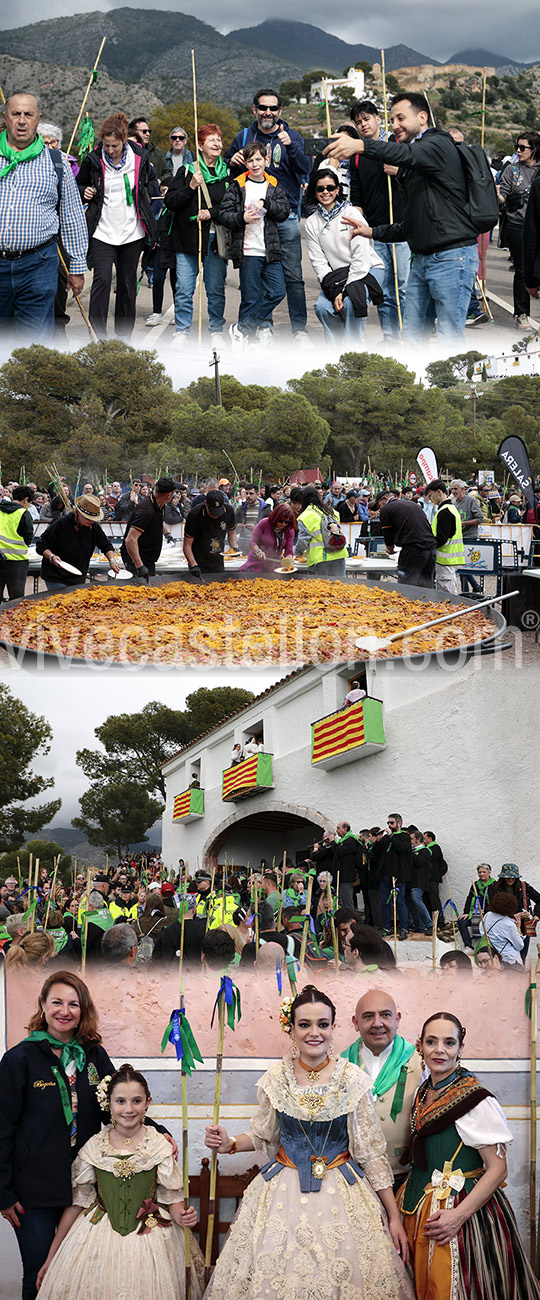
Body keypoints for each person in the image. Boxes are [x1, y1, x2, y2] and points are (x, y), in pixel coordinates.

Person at [204, 985, 413, 1300]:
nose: (314, 1032)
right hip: (282, 1193)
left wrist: (393, 1216)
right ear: (291, 1029)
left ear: (333, 1027)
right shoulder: (277, 1078)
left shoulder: (352, 1079)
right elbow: (264, 1135)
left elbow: (370, 1154)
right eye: (305, 1025)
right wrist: (230, 1143)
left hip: (343, 1193)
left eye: (322, 1024)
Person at [399, 1012, 540, 1300]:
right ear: (419, 1046)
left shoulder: (476, 1100)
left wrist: (457, 1217)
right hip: (416, 1203)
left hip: (461, 1214)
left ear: (461, 1048)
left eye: (449, 1042)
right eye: (432, 1042)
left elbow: (498, 1169)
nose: (440, 1050)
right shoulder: (423, 1090)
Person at [35, 1063, 203, 1300]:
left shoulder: (158, 1146)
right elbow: (78, 1202)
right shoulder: (94, 1147)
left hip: (151, 1232)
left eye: (136, 1100)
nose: (128, 1109)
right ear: (108, 1104)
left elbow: (172, 1198)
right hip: (97, 1234)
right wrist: (52, 1257)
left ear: (147, 1102)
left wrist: (181, 1216)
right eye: (120, 1101)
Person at [327, 93, 486, 341]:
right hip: (422, 259)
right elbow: (412, 224)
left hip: (452, 257)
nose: (395, 125)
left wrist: (360, 145)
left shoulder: (437, 143)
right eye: (392, 119)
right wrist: (371, 232)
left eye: (401, 117)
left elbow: (407, 155)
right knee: (412, 336)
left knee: (449, 336)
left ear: (422, 117)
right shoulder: (415, 157)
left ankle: (455, 381)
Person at [0, 974, 120, 1299]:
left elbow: (119, 1106)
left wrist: (158, 1132)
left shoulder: (94, 1056)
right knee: (40, 1277)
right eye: (57, 1002)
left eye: (73, 1004)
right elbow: (2, 1127)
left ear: (83, 1010)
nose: (64, 1011)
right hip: (33, 1193)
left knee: (77, 1276)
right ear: (43, 1005)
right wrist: (4, 1192)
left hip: (84, 1187)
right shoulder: (19, 1060)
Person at [226, 88, 312, 342]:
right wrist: (232, 162)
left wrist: (292, 147)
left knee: (293, 277)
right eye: (263, 107)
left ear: (280, 111)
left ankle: (299, 330)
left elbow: (306, 168)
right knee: (259, 279)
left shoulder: (292, 136)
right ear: (255, 109)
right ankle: (264, 327)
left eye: (273, 108)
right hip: (253, 219)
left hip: (286, 216)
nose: (268, 112)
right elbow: (229, 173)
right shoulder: (244, 137)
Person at [0, 91, 87, 340]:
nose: (22, 120)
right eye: (16, 114)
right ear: (5, 118)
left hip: (38, 266)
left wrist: (77, 268)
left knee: (35, 344)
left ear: (38, 119)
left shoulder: (56, 162)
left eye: (29, 114)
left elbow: (72, 217)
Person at [76, 111, 156, 339]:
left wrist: (146, 192)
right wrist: (86, 192)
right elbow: (78, 185)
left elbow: (150, 184)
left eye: (114, 146)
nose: (110, 151)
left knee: (127, 285)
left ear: (124, 141)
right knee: (101, 279)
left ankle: (123, 337)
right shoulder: (93, 159)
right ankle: (98, 335)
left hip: (132, 231)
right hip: (102, 230)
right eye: (106, 145)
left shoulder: (140, 158)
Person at [340, 989, 423, 1185]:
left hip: (407, 1178)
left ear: (397, 1018)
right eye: (368, 1016)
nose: (377, 1023)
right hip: (354, 1180)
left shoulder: (421, 1062)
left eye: (385, 1015)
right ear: (355, 1022)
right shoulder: (341, 1065)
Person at [218, 141, 289, 347]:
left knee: (277, 291)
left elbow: (284, 212)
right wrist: (242, 218)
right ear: (245, 163)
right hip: (248, 250)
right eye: (250, 160)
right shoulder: (238, 185)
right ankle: (245, 340)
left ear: (267, 160)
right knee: (249, 298)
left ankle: (241, 329)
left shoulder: (273, 184)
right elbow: (224, 215)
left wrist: (266, 203)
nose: (255, 164)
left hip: (270, 250)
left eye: (259, 159)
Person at [350, 99, 410, 341]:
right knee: (383, 288)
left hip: (401, 226)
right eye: (358, 122)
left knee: (403, 286)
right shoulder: (358, 152)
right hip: (374, 229)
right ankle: (390, 336)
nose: (363, 125)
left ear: (377, 118)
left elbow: (420, 174)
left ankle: (408, 335)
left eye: (366, 119)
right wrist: (358, 212)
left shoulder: (396, 144)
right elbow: (356, 189)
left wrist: (400, 172)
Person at [304, 164, 384, 345]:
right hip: (337, 277)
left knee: (350, 303)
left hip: (367, 269)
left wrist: (343, 291)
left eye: (330, 188)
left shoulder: (351, 214)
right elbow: (318, 262)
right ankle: (339, 350)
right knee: (322, 307)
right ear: (314, 192)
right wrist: (335, 290)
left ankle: (355, 348)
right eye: (320, 189)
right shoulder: (311, 222)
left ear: (337, 189)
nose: (326, 192)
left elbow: (361, 256)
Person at [163, 124, 229, 344]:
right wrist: (191, 186)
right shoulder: (187, 171)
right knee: (184, 287)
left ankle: (217, 330)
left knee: (216, 288)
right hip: (188, 238)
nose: (217, 144)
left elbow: (231, 207)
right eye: (211, 140)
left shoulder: (227, 173)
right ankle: (182, 331)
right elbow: (171, 202)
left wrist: (210, 212)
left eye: (219, 139)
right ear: (200, 146)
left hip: (214, 240)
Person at [499, 131, 540, 327]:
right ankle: (521, 314)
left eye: (523, 147)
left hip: (537, 227)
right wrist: (496, 195)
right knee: (522, 270)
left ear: (535, 150)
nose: (518, 150)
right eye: (517, 146)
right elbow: (503, 196)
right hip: (517, 228)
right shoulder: (512, 170)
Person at [36, 495, 120, 589]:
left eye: (94, 519)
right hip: (56, 575)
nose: (91, 521)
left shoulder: (94, 527)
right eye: (88, 518)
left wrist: (112, 561)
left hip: (78, 575)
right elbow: (41, 545)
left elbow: (106, 545)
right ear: (78, 513)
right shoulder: (61, 523)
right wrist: (52, 556)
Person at [121, 476, 177, 579]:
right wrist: (139, 566)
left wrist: (166, 533)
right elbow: (130, 540)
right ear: (169, 495)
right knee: (139, 590)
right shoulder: (145, 510)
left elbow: (157, 521)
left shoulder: (159, 503)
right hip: (136, 556)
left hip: (148, 556)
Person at [295, 484, 348, 577]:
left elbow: (303, 540)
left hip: (321, 558)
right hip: (339, 553)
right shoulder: (331, 511)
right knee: (339, 587)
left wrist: (297, 552)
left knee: (321, 588)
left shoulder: (305, 516)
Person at [183, 489, 238, 576]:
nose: (216, 515)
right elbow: (187, 545)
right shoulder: (195, 515)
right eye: (213, 512)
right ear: (206, 504)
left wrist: (234, 548)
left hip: (218, 559)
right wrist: (193, 565)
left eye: (218, 512)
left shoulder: (229, 511)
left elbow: (232, 532)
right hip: (199, 560)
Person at [426, 479, 466, 594]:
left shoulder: (445, 511)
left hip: (444, 561)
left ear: (439, 492)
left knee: (447, 598)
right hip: (449, 560)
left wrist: (425, 542)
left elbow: (441, 539)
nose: (430, 499)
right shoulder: (451, 508)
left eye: (430, 495)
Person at [0, 484, 35, 602]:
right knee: (16, 601)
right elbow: (28, 538)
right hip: (16, 562)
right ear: (26, 500)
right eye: (29, 503)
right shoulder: (23, 514)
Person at [240, 504, 295, 573]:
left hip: (274, 565)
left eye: (287, 522)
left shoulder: (289, 530)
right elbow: (252, 542)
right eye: (280, 521)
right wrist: (258, 551)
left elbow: (289, 551)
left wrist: (288, 560)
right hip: (256, 563)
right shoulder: (264, 523)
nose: (283, 524)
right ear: (275, 517)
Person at [458, 863, 497, 949]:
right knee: (461, 922)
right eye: (480, 872)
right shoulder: (475, 885)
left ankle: (487, 946)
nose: (482, 874)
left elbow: (495, 902)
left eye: (484, 872)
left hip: (488, 914)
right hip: (475, 913)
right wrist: (467, 912)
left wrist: (486, 914)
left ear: (489, 873)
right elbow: (469, 899)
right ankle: (468, 945)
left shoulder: (494, 885)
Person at [483, 891, 526, 966]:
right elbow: (519, 946)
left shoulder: (487, 915)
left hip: (494, 957)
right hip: (510, 960)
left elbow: (482, 931)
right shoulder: (509, 924)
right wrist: (518, 927)